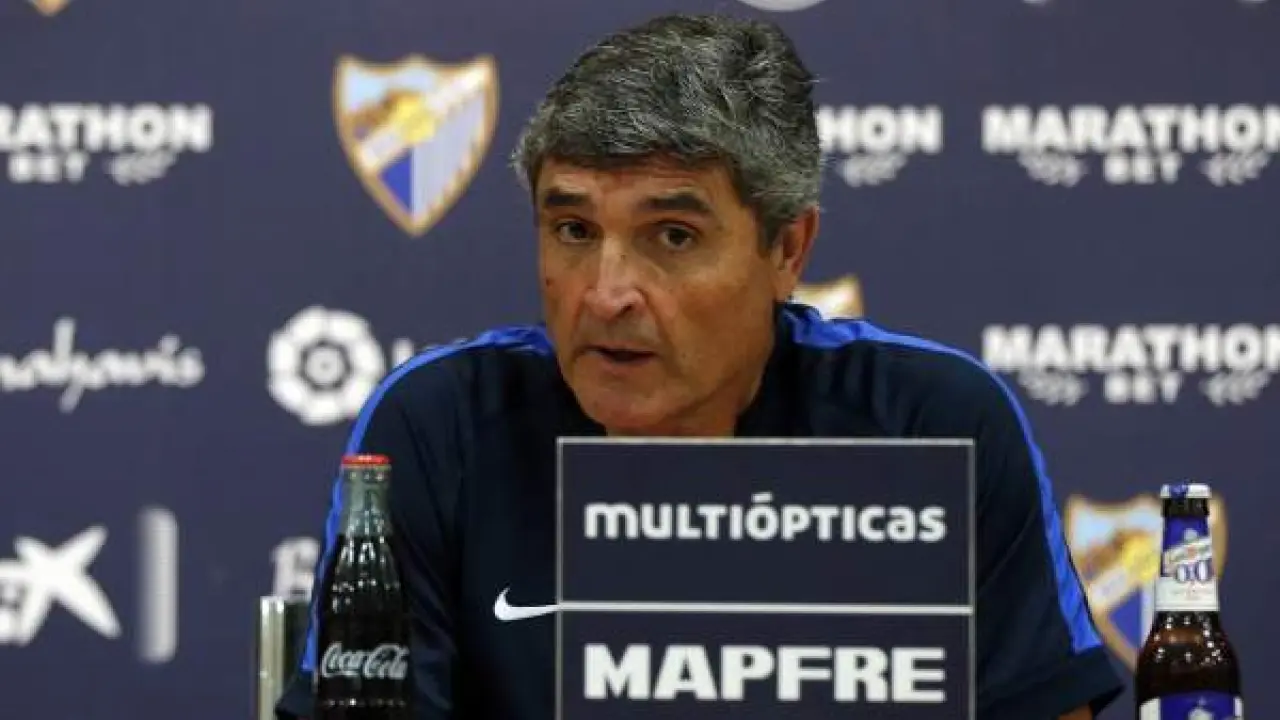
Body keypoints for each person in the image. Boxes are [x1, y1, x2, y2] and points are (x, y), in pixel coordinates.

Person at [275, 12, 1123, 720]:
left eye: (672, 237)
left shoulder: (932, 425)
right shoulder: (440, 427)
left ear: (787, 249)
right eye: (573, 230)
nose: (607, 293)